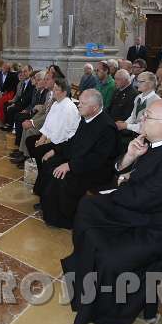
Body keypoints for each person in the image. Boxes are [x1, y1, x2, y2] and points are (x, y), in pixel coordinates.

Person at [61, 100, 162, 324]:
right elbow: (134, 180)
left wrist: (115, 188)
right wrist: (128, 158)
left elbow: (140, 197)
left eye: (147, 116)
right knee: (88, 208)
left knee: (105, 247)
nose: (141, 119)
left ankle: (107, 312)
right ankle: (84, 281)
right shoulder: (159, 143)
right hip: (145, 213)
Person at [36, 90, 118, 229]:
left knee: (62, 176)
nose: (78, 105)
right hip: (81, 159)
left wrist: (70, 165)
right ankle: (48, 203)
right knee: (49, 163)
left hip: (96, 170)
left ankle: (63, 218)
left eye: (83, 103)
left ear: (95, 108)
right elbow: (74, 141)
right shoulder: (86, 118)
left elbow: (98, 159)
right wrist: (55, 150)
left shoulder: (107, 127)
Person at [26, 78, 80, 173]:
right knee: (30, 141)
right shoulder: (56, 103)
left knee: (38, 150)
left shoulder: (69, 108)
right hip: (51, 138)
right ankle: (40, 169)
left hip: (62, 143)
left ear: (64, 92)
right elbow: (48, 123)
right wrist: (42, 138)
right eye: (53, 89)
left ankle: (42, 172)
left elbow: (63, 132)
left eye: (56, 89)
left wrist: (46, 141)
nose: (53, 91)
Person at [11, 72, 57, 166]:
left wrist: (33, 123)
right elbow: (43, 110)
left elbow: (50, 116)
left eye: (47, 79)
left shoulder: (55, 94)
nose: (45, 81)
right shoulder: (50, 93)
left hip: (50, 124)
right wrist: (31, 121)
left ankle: (28, 158)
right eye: (45, 79)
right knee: (26, 124)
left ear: (54, 81)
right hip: (43, 120)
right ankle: (22, 153)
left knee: (30, 130)